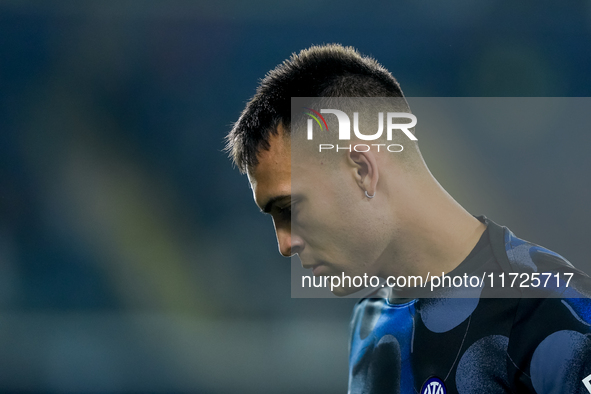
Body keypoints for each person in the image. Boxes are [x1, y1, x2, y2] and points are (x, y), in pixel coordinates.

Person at [226, 44, 591, 394]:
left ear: (363, 171)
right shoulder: (369, 322)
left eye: (289, 210)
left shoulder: (555, 312)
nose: (285, 244)